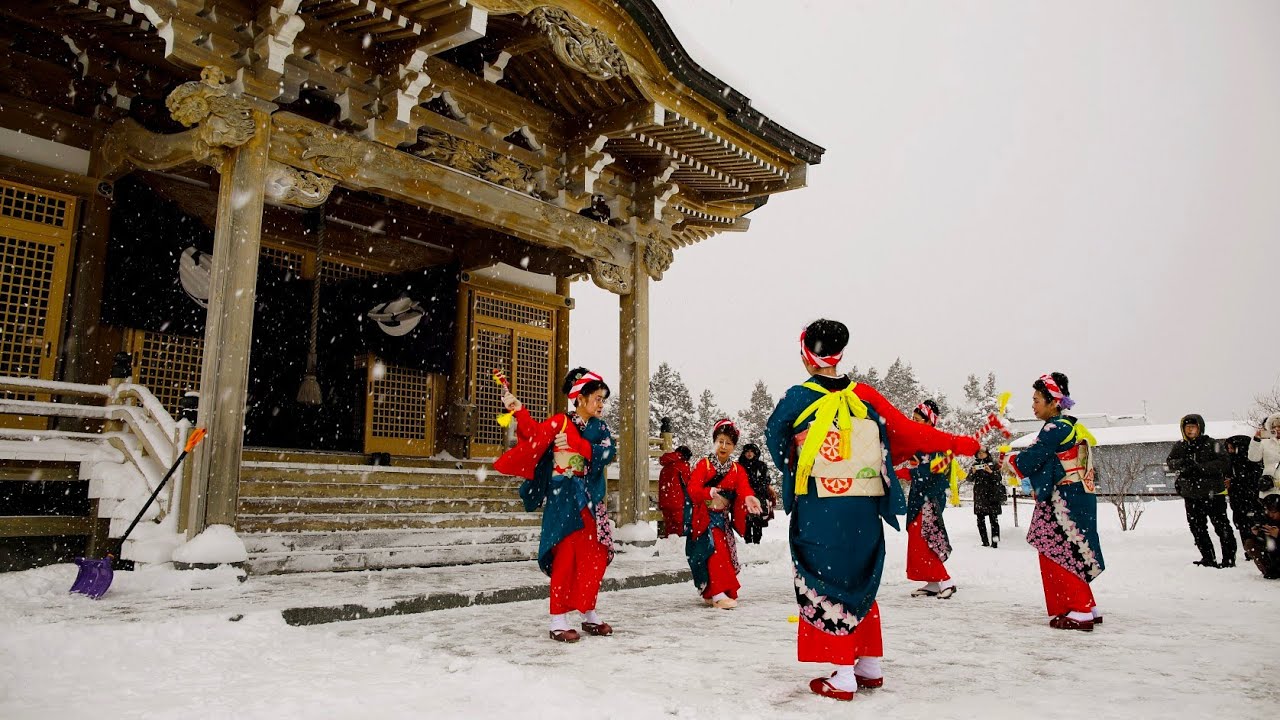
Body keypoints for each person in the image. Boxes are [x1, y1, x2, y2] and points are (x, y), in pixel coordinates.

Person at [765, 319, 979, 701]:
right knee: (860, 575)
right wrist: (958, 443)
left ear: (806, 355)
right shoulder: (865, 396)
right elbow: (907, 433)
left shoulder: (796, 398)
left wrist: (803, 465)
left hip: (822, 504)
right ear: (839, 354)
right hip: (863, 504)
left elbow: (778, 445)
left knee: (825, 579)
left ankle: (843, 672)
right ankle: (868, 663)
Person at [494, 368, 617, 643]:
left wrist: (578, 444)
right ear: (580, 398)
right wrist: (519, 411)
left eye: (602, 399)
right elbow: (537, 436)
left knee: (594, 556)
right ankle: (558, 619)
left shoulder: (601, 428)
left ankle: (588, 611)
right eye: (597, 398)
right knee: (565, 557)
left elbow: (609, 452)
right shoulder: (560, 422)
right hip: (563, 498)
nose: (601, 404)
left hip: (590, 500)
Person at [1006, 372, 1105, 631]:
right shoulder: (1066, 426)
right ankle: (1086, 604)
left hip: (1064, 499)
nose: (1033, 405)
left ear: (1054, 402)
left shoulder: (1055, 428)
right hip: (1074, 495)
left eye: (1037, 399)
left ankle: (1079, 609)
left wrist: (1011, 462)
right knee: (1072, 548)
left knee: (1058, 550)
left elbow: (1030, 461)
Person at [684, 419, 763, 608]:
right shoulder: (704, 465)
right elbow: (692, 488)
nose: (723, 446)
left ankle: (716, 592)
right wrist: (707, 492)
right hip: (705, 517)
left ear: (734, 446)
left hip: (722, 518)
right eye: (720, 441)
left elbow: (744, 488)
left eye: (728, 443)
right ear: (714, 442)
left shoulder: (737, 469)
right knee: (713, 552)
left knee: (722, 554)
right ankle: (718, 594)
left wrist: (748, 498)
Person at [901, 400, 959, 598]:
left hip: (930, 498)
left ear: (929, 421)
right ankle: (933, 581)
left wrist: (912, 472)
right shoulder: (920, 442)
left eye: (917, 420)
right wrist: (904, 472)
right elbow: (917, 470)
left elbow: (933, 472)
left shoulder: (936, 442)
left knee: (925, 537)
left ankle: (944, 579)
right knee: (918, 538)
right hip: (919, 496)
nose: (913, 422)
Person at [1166, 414, 1236, 568]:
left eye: (1194, 427)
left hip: (1214, 494)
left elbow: (1224, 463)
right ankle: (1208, 558)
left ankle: (1228, 560)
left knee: (1221, 526)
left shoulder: (1211, 444)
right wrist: (1184, 462)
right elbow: (1170, 463)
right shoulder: (1180, 446)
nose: (1190, 430)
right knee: (1197, 528)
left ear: (1200, 428)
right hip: (1191, 495)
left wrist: (1201, 467)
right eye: (1187, 427)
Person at [1224, 435, 1267, 556]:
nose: (1230, 451)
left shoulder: (1253, 461)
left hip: (1251, 499)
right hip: (1238, 500)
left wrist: (1234, 482)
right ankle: (1249, 550)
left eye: (1232, 448)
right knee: (1242, 524)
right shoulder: (1231, 461)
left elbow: (1252, 479)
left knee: (1254, 524)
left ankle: (1257, 549)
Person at [739, 443, 777, 544]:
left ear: (755, 453)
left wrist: (758, 488)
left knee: (757, 520)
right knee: (746, 520)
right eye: (747, 451)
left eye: (751, 451)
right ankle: (747, 542)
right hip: (744, 496)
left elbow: (766, 479)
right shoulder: (740, 465)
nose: (749, 453)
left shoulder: (761, 465)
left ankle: (757, 542)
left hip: (759, 496)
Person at [969, 448, 1006, 548]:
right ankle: (984, 541)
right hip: (980, 496)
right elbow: (969, 479)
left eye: (983, 453)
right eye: (979, 453)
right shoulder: (974, 465)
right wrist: (972, 472)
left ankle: (995, 542)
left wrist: (991, 472)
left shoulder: (993, 464)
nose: (981, 455)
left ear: (987, 454)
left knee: (994, 520)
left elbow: (998, 478)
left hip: (992, 496)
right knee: (980, 520)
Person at [657, 446, 693, 538]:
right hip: (677, 501)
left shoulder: (666, 465)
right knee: (679, 527)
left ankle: (669, 545)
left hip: (665, 501)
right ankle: (677, 547)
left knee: (669, 526)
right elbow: (689, 484)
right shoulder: (682, 465)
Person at [1245, 494, 1280, 579]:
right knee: (1250, 543)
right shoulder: (1266, 518)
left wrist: (1278, 534)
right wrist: (1258, 533)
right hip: (1274, 555)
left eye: (1273, 512)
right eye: (1268, 511)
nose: (1271, 515)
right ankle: (1270, 570)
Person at [1247, 414, 1280, 498]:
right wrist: (1256, 440)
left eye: (1279, 426)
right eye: (1274, 427)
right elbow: (1253, 458)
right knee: (1273, 510)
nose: (1276, 429)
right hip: (1270, 488)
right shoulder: (1265, 443)